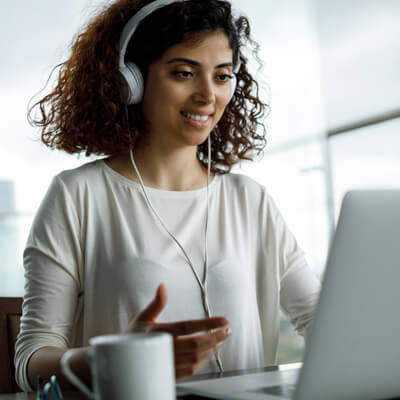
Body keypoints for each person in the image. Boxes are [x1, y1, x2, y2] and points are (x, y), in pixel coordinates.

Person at [15, 0, 321, 392]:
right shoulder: (77, 195)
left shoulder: (250, 200)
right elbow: (30, 362)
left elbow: (321, 321)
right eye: (184, 73)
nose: (208, 96)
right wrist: (115, 357)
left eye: (222, 76)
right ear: (132, 81)